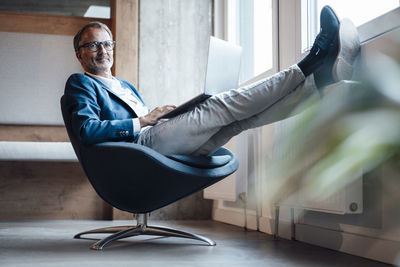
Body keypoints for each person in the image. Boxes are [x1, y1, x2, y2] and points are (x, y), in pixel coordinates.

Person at [64, 6, 359, 156]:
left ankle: (320, 82)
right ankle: (312, 60)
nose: (102, 50)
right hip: (140, 148)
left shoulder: (125, 86)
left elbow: (143, 119)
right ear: (80, 54)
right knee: (220, 105)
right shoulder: (81, 82)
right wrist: (143, 120)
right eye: (93, 45)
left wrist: (165, 116)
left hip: (159, 136)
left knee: (239, 121)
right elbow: (87, 131)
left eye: (107, 43)